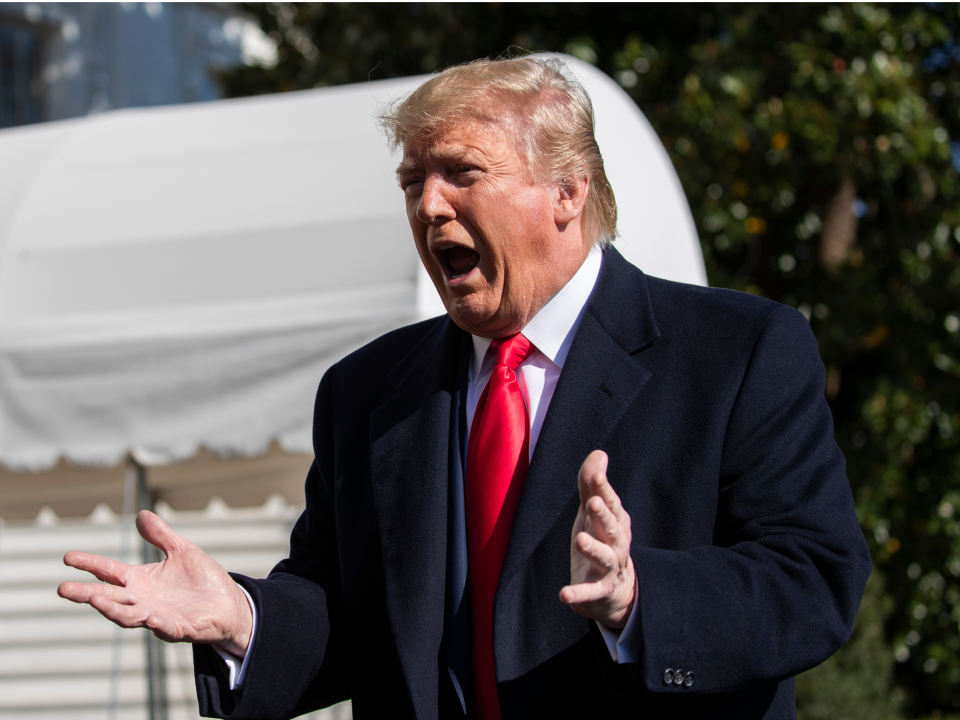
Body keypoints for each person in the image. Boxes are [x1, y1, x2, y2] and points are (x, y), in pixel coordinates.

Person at [58, 57, 871, 720]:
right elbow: (348, 616)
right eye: (413, 182)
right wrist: (245, 619)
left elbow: (814, 579)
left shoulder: (739, 352)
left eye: (461, 173)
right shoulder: (368, 391)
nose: (429, 205)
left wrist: (640, 598)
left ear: (568, 192)